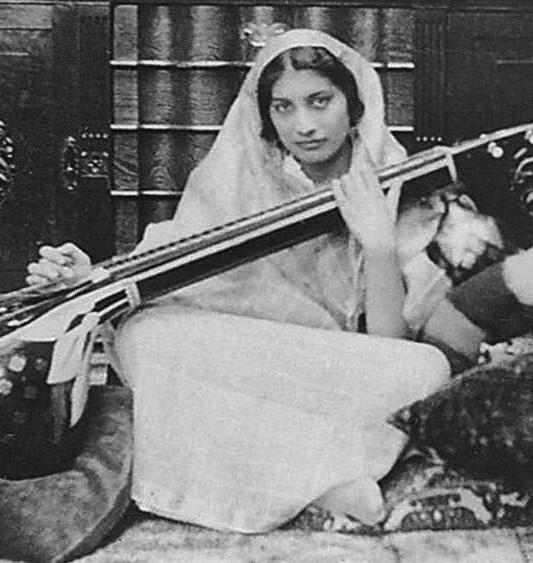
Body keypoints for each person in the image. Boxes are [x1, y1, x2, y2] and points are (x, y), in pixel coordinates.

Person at [26, 29, 472, 532]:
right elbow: (168, 269)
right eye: (283, 107)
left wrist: (378, 244)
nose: (304, 125)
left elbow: (390, 348)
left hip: (340, 373)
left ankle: (276, 477)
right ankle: (320, 483)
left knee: (425, 370)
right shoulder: (242, 173)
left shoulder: (400, 181)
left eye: (320, 101)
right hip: (253, 360)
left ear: (354, 102)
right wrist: (92, 278)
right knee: (144, 335)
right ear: (265, 117)